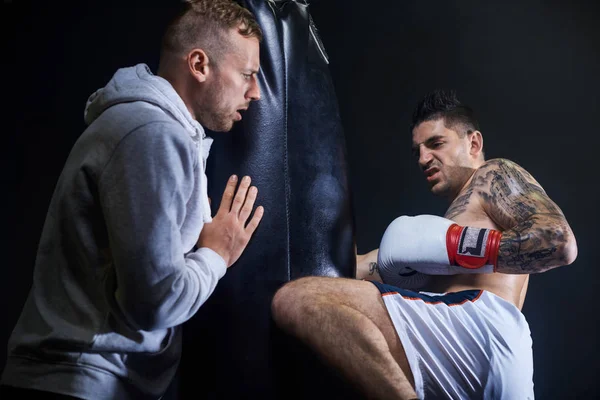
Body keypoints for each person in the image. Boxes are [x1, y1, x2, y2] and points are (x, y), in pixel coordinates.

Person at [1, 1, 264, 399]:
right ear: (199, 65)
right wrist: (216, 255)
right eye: (246, 75)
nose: (256, 92)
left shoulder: (162, 132)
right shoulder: (152, 135)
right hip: (79, 383)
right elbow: (153, 304)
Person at [270, 89, 578, 399]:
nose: (423, 158)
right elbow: (354, 268)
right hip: (497, 359)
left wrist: (461, 247)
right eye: (417, 150)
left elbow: (557, 240)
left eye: (436, 144)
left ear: (473, 143)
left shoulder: (492, 175)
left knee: (298, 298)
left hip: (480, 326)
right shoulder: (433, 240)